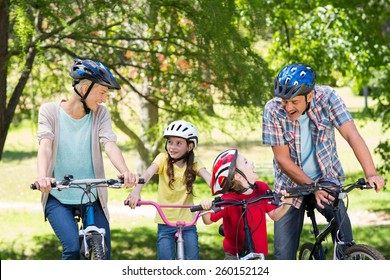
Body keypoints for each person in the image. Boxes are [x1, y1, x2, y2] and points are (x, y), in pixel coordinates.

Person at [262, 63, 386, 260]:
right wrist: (312, 187)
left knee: (346, 241)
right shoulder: (272, 110)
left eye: (294, 101)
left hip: (326, 179)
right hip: (290, 186)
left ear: (309, 96)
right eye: (284, 101)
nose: (287, 107)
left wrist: (371, 173)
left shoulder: (328, 98)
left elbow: (351, 134)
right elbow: (282, 159)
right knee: (283, 256)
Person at [33, 58, 139, 260]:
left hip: (92, 195)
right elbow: (45, 145)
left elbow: (109, 143)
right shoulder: (49, 112)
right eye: (102, 92)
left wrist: (125, 171)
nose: (104, 99)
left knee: (104, 251)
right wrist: (42, 176)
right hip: (59, 196)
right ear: (83, 89)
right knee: (73, 248)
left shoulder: (100, 114)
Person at [125, 120, 211, 260]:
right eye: (170, 142)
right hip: (165, 222)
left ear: (189, 146)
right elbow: (147, 175)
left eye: (179, 143)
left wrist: (221, 192)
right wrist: (136, 191)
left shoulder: (194, 162)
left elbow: (209, 179)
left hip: (188, 222)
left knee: (193, 261)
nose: (172, 147)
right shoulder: (162, 159)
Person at [199, 148, 292, 260]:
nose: (252, 163)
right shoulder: (228, 199)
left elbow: (275, 215)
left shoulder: (261, 189)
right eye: (246, 162)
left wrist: (287, 203)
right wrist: (205, 208)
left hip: (259, 253)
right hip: (234, 255)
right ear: (238, 176)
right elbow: (208, 220)